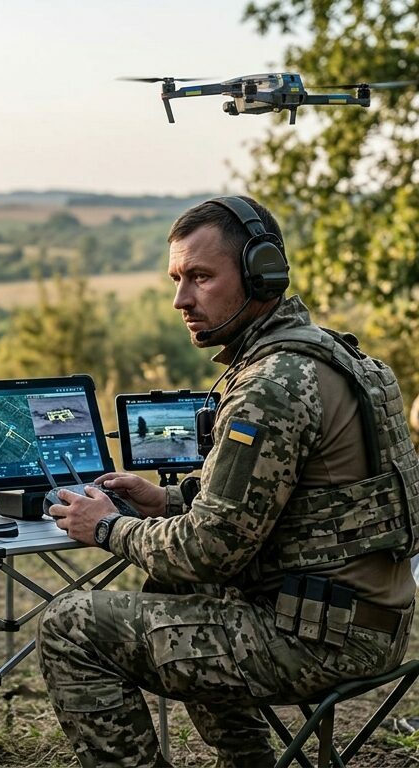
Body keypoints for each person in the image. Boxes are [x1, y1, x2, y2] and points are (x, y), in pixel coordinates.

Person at [36, 195, 419, 768]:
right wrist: (166, 499)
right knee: (174, 594)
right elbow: (299, 503)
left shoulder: (270, 385)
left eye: (201, 277)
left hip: (317, 639)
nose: (181, 300)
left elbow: (208, 551)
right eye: (176, 279)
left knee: (68, 626)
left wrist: (108, 527)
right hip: (368, 622)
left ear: (262, 275)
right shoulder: (340, 359)